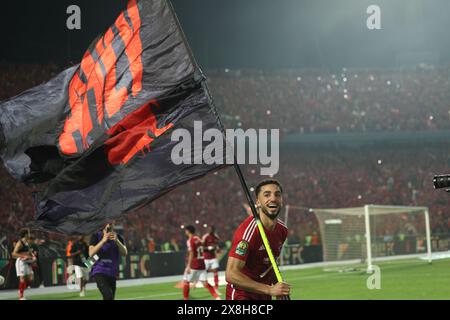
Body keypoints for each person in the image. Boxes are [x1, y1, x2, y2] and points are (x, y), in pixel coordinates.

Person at [225, 179, 290, 300]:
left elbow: (271, 263)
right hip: (242, 294)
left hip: (264, 294)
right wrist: (270, 289)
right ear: (258, 202)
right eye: (267, 195)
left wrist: (278, 286)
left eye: (277, 194)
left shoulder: (282, 230)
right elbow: (231, 274)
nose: (273, 198)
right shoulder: (248, 232)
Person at [89, 223, 127, 300]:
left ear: (114, 223)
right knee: (108, 296)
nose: (109, 225)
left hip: (112, 272)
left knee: (109, 298)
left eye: (111, 222)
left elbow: (125, 253)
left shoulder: (118, 237)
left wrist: (117, 241)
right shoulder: (96, 236)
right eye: (107, 223)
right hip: (99, 271)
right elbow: (91, 253)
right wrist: (103, 241)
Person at [183, 225, 221, 300]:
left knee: (186, 282)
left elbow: (191, 253)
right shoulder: (198, 238)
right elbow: (202, 247)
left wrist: (188, 266)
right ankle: (217, 298)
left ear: (188, 231)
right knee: (205, 283)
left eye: (185, 231)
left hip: (194, 264)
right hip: (202, 263)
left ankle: (185, 299)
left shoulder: (190, 240)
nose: (185, 232)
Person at [12, 229, 37, 300]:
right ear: (26, 234)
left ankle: (20, 290)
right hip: (20, 262)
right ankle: (21, 297)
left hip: (27, 262)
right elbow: (13, 254)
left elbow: (29, 251)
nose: (29, 234)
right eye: (28, 233)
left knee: (31, 279)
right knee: (22, 279)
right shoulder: (20, 243)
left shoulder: (26, 242)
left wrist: (33, 256)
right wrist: (23, 256)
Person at [202, 225, 221, 291]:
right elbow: (201, 247)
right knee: (204, 271)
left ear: (213, 230)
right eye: (209, 229)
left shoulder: (216, 237)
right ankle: (205, 284)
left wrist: (217, 248)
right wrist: (208, 248)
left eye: (211, 229)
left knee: (215, 270)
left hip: (213, 257)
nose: (210, 230)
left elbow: (217, 245)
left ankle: (216, 286)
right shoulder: (205, 237)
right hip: (206, 257)